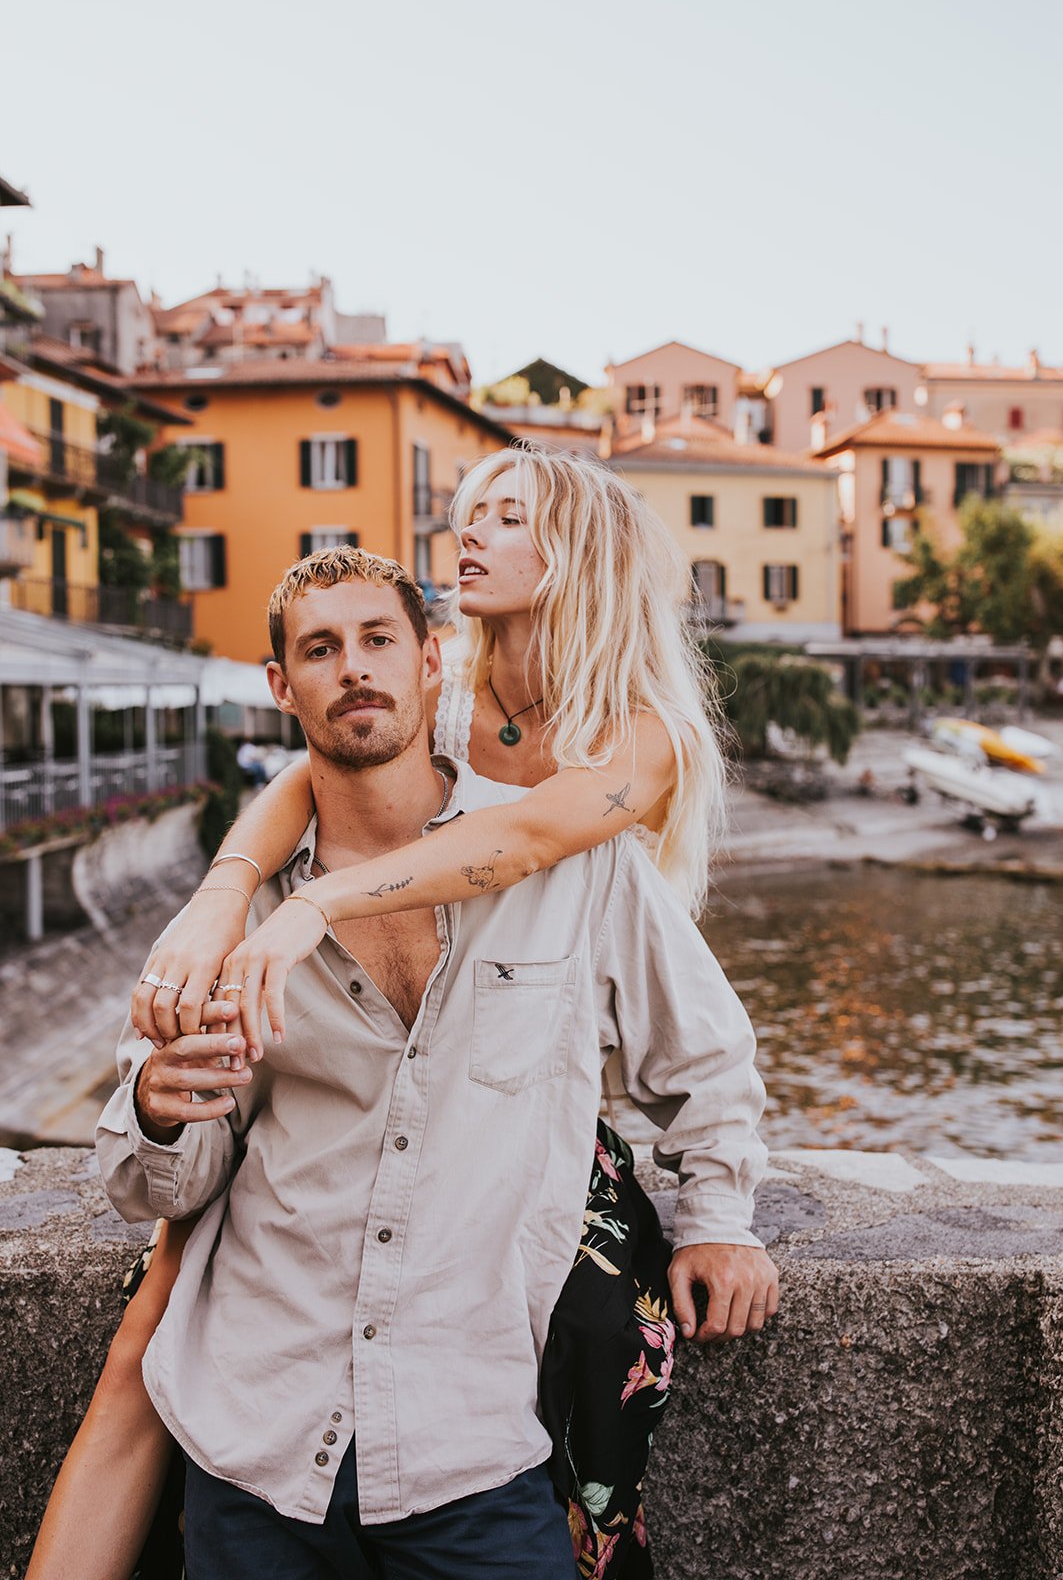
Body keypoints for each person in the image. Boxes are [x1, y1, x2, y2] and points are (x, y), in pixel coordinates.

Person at [27, 447, 776, 1579]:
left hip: (472, 1407)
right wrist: (231, 892)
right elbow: (316, 775)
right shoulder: (441, 693)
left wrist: (717, 1211)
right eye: (319, 654)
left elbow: (526, 850)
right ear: (284, 685)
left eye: (505, 518)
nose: (468, 536)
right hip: (262, 1419)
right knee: (161, 1321)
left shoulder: (624, 747)